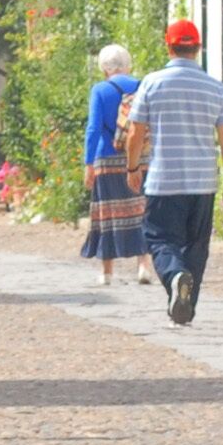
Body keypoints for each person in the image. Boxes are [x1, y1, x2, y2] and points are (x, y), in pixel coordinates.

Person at [121, 18, 223, 324]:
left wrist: (132, 166)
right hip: (203, 182)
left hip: (164, 180)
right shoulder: (215, 88)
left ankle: (175, 277)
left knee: (160, 240)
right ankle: (186, 306)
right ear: (198, 48)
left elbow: (135, 132)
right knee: (196, 246)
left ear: (168, 45)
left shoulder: (152, 83)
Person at [79, 42, 147, 287]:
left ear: (104, 68)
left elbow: (94, 128)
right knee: (141, 209)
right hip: (139, 156)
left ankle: (107, 273)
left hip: (106, 158)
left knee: (106, 214)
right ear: (128, 65)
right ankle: (143, 267)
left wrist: (88, 164)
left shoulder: (100, 90)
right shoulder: (142, 86)